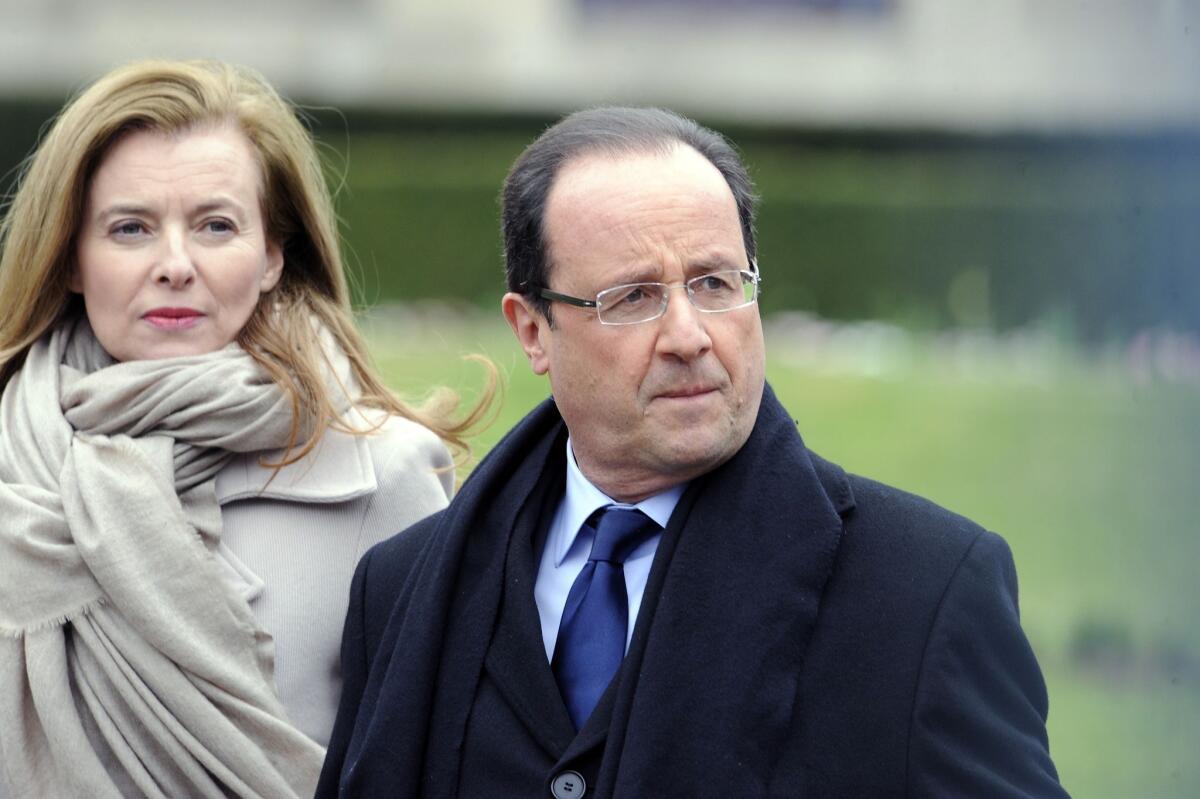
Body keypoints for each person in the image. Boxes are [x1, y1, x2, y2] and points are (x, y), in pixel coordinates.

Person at [318, 107, 1068, 798]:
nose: (689, 335)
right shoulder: (402, 588)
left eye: (715, 283)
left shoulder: (925, 591)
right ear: (533, 330)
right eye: (634, 297)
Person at [0, 59, 490, 798]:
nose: (174, 264)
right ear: (72, 256)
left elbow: (439, 765)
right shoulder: (9, 455)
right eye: (130, 227)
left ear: (270, 256)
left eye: (215, 225)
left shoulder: (382, 476)